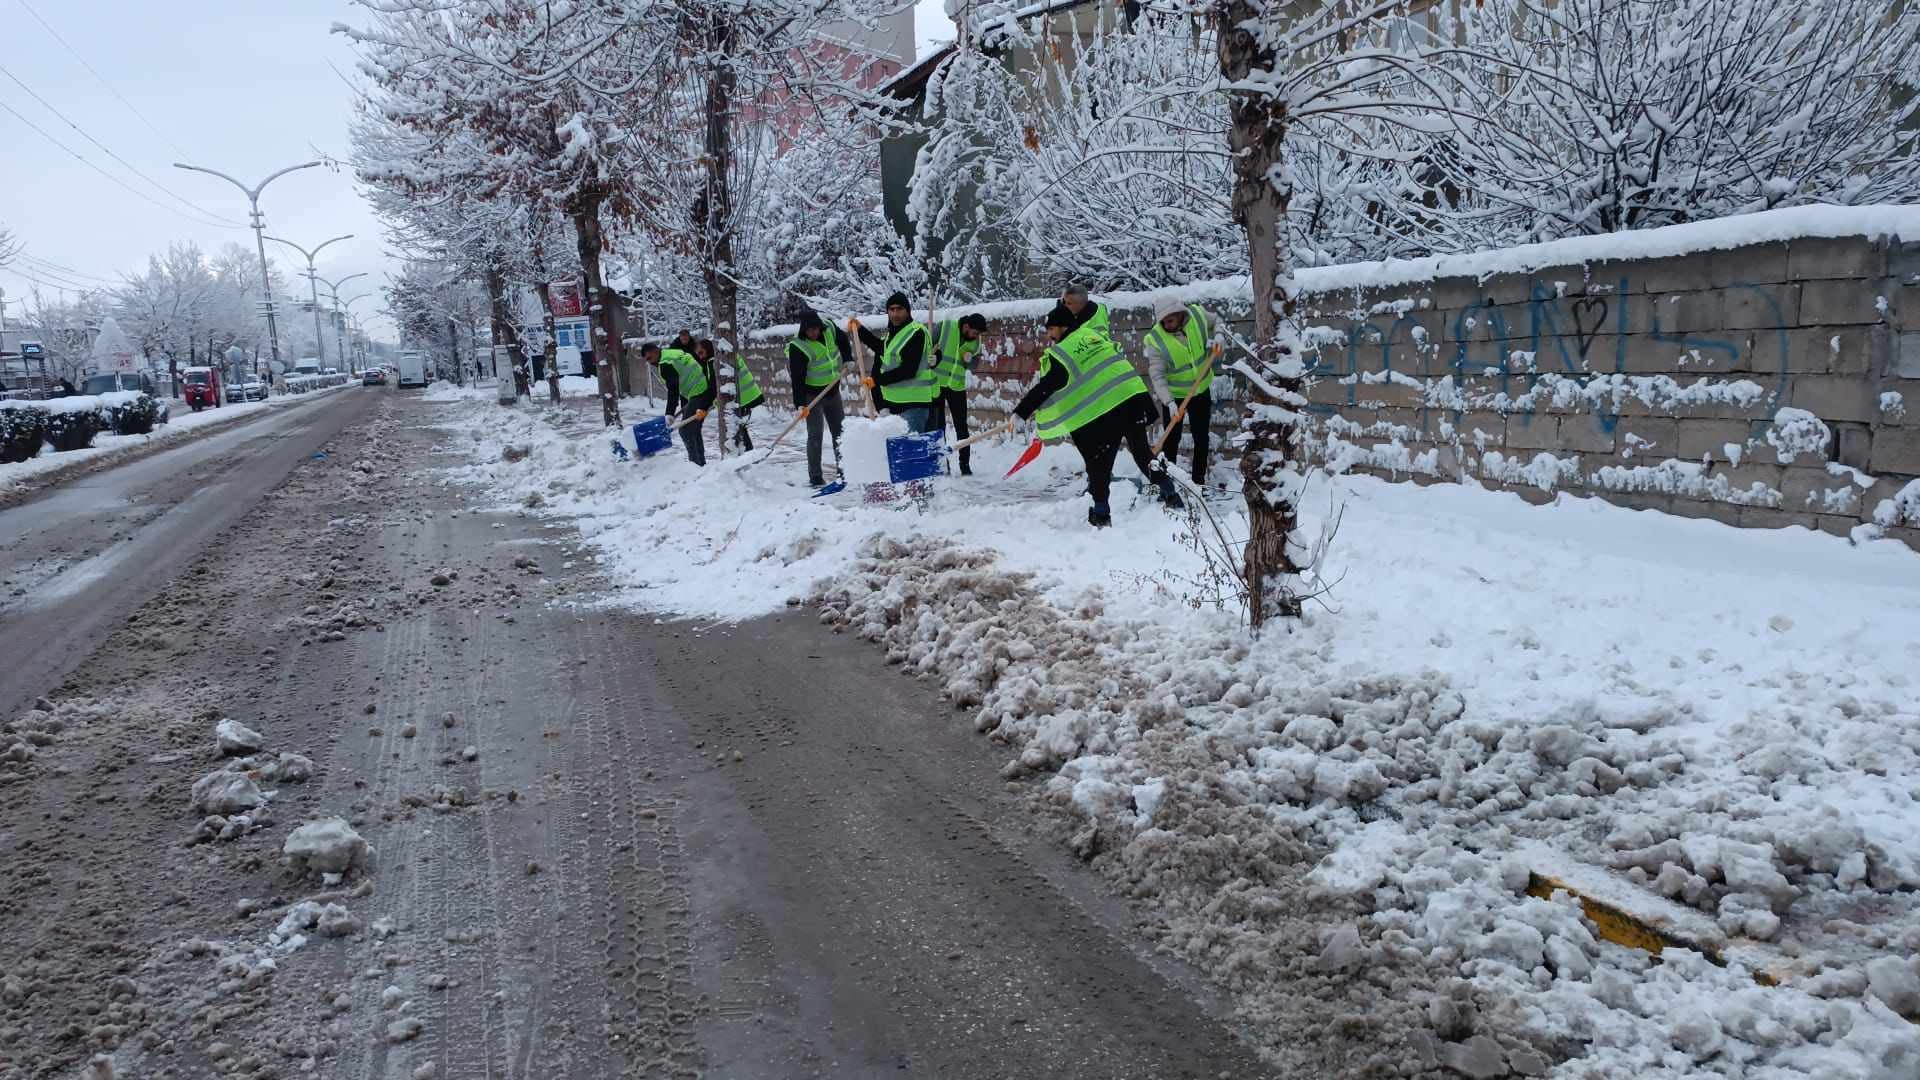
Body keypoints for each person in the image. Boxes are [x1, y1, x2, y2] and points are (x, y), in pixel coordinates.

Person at [1013, 304, 1182, 528]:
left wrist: (1021, 412)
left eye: (1051, 329)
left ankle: (1101, 514)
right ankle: (1171, 494)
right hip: (1132, 399)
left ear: (1062, 328)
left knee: (1098, 463)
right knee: (1143, 454)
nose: (1049, 335)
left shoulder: (1062, 352)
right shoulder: (1091, 335)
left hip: (1108, 409)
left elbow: (1049, 385)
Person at [1143, 297, 1219, 485]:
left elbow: (1217, 320)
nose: (1166, 326)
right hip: (1175, 397)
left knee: (1201, 437)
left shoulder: (1198, 316)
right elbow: (1157, 376)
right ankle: (1170, 480)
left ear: (1178, 315)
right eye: (1163, 322)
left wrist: (1219, 335)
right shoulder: (1156, 340)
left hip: (1200, 391)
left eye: (1170, 321)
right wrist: (1168, 402)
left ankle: (1198, 481)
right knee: (1171, 439)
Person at [853, 292, 938, 434]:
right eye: (891, 310)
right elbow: (881, 348)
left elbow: (909, 370)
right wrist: (860, 330)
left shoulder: (916, 332)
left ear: (907, 310)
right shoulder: (893, 334)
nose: (895, 313)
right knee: (901, 453)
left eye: (899, 309)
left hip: (914, 405)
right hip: (894, 404)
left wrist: (877, 380)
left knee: (911, 453)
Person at [787, 310, 852, 487]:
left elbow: (843, 340)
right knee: (815, 435)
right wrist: (800, 404)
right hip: (812, 395)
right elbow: (797, 379)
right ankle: (815, 476)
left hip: (832, 390)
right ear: (803, 330)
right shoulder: (798, 347)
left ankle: (845, 471)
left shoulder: (829, 328)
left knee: (840, 433)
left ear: (820, 327)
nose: (813, 333)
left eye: (815, 329)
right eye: (809, 331)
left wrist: (848, 359)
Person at [930, 313, 987, 475]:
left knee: (962, 428)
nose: (976, 337)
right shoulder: (944, 327)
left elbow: (975, 363)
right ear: (966, 327)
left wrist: (970, 361)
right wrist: (931, 358)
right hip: (937, 384)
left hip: (956, 386)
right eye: (975, 333)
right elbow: (927, 348)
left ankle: (965, 466)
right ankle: (942, 466)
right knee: (938, 427)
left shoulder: (975, 341)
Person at [644, 342, 712, 465]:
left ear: (655, 351)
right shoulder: (673, 352)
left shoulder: (665, 364)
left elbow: (673, 390)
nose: (649, 362)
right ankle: (701, 464)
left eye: (649, 358)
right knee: (694, 429)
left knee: (685, 431)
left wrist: (669, 413)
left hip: (698, 392)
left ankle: (696, 465)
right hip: (702, 387)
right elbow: (686, 372)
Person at [721, 340, 764, 451]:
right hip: (748, 396)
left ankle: (746, 452)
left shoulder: (724, 359)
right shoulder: (729, 355)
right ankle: (745, 451)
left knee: (738, 428)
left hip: (745, 398)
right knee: (740, 427)